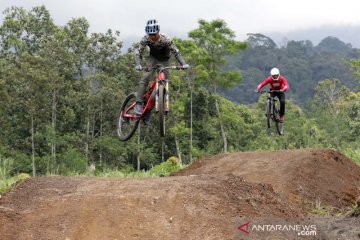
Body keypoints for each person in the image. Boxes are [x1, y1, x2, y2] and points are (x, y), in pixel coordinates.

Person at [134, 19, 189, 123]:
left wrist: (183, 63)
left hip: (164, 61)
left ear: (158, 32)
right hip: (152, 59)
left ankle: (148, 111)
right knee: (145, 78)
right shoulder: (145, 39)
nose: (152, 37)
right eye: (150, 35)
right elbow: (138, 53)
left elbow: (176, 52)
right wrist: (138, 64)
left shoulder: (166, 40)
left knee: (163, 84)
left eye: (154, 34)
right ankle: (138, 103)